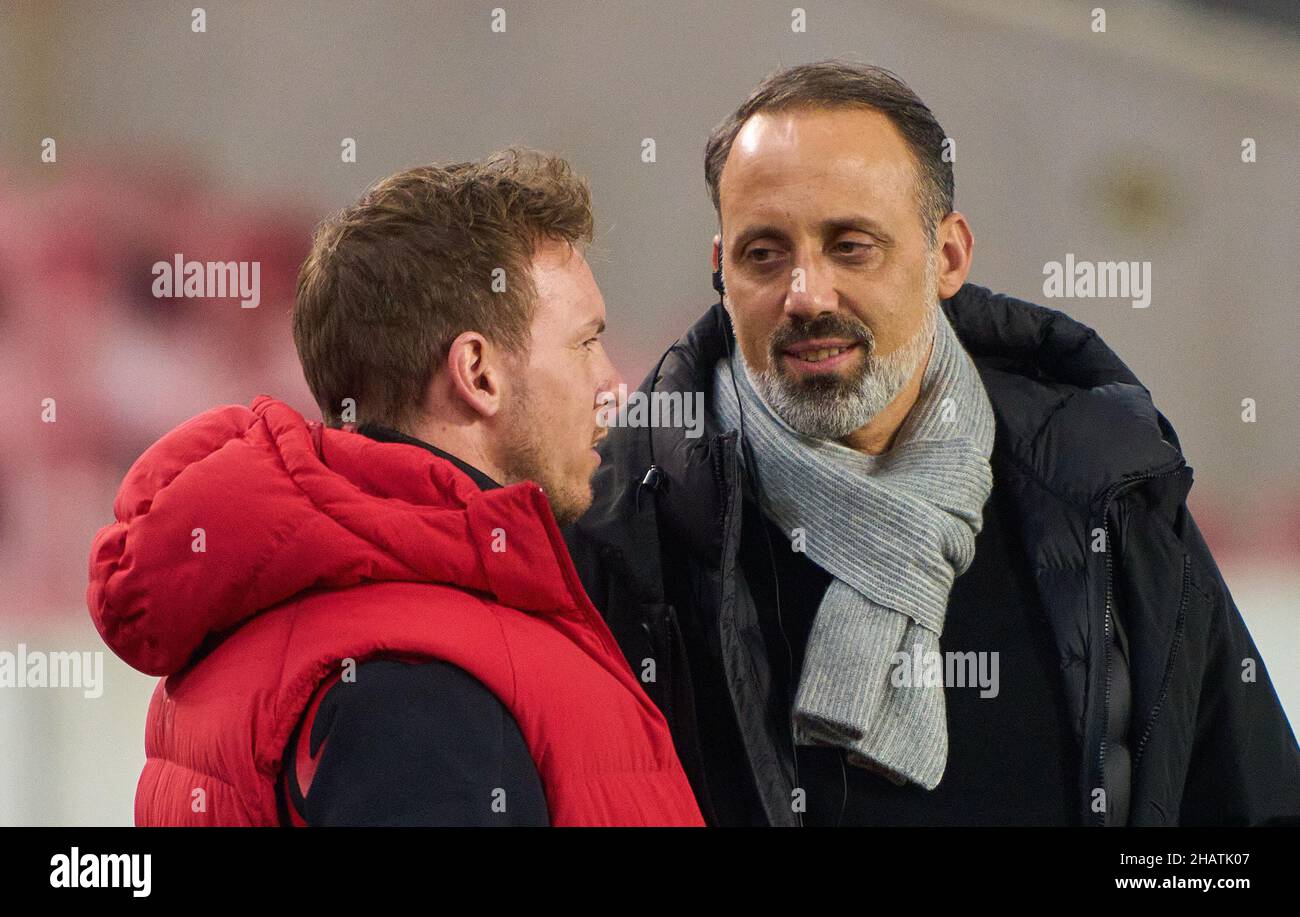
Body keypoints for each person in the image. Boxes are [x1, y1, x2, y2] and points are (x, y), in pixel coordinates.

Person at [565, 60, 1300, 826]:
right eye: (764, 254)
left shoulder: (1108, 494)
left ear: (947, 257)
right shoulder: (624, 530)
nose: (806, 294)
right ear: (721, 270)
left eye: (850, 246)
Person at [86, 149, 704, 827]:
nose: (614, 386)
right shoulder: (421, 683)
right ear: (478, 372)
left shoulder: (278, 612)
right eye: (585, 343)